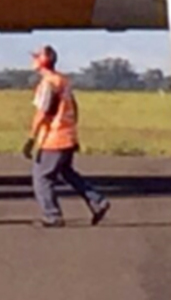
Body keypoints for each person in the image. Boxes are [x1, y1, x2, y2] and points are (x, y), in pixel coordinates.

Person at [23, 45, 110, 228]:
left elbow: (43, 112)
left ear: (44, 61)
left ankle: (52, 216)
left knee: (42, 177)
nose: (33, 60)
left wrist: (31, 138)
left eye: (36, 57)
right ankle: (98, 201)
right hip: (67, 136)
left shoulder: (48, 84)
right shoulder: (63, 81)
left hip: (53, 139)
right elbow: (74, 108)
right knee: (67, 173)